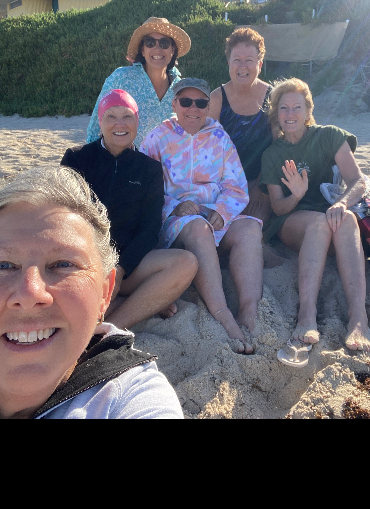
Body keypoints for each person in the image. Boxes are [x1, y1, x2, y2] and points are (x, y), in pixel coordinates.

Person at [0, 166, 184, 419]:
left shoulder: (132, 396)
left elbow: (149, 229)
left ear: (105, 293)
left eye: (64, 264)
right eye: (1, 265)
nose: (30, 293)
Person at [141, 78, 264, 355]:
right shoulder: (157, 138)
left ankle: (249, 308)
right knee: (198, 228)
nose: (193, 109)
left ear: (208, 107)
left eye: (200, 103)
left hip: (214, 215)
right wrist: (174, 206)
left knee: (249, 229)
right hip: (175, 220)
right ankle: (222, 312)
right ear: (174, 104)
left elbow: (236, 186)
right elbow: (144, 189)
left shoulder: (220, 138)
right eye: (186, 102)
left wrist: (221, 210)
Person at [62, 89, 197, 329]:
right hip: (85, 262)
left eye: (127, 117)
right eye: (111, 117)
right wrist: (96, 264)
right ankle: (145, 301)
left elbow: (150, 229)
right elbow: (64, 218)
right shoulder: (77, 159)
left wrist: (121, 269)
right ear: (100, 122)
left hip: (128, 266)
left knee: (185, 262)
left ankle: (110, 327)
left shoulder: (149, 169)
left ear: (137, 121)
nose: (120, 124)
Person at [260, 78, 370, 352]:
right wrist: (296, 195)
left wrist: (342, 203)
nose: (290, 114)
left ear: (308, 110)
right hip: (293, 221)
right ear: (277, 113)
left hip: (331, 215)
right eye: (284, 108)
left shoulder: (329, 136)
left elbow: (358, 181)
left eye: (296, 107)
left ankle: (359, 317)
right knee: (320, 224)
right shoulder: (272, 154)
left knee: (347, 219)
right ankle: (307, 314)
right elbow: (277, 207)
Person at [86, 17, 191, 148]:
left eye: (164, 43)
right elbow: (96, 127)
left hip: (168, 161)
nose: (157, 48)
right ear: (142, 49)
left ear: (173, 50)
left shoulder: (180, 88)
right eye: (150, 42)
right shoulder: (121, 78)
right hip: (126, 160)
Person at [208, 28, 273, 224]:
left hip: (262, 182)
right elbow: (208, 151)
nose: (242, 66)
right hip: (224, 184)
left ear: (260, 64)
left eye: (249, 60)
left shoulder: (273, 98)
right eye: (237, 59)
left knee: (255, 223)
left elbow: (279, 149)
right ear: (229, 63)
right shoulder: (216, 99)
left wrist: (260, 188)